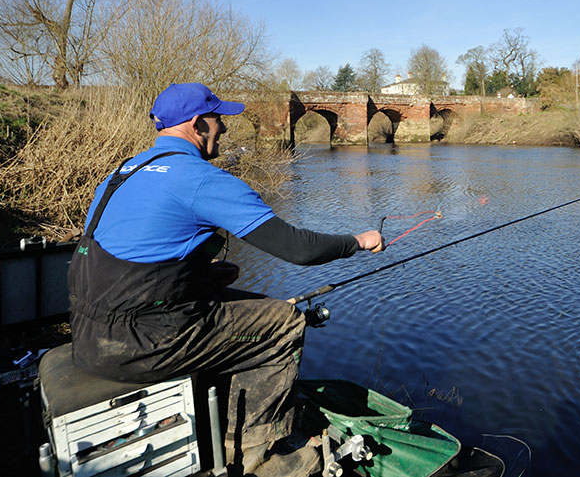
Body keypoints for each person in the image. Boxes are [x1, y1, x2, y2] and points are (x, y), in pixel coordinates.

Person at [67, 82, 383, 476]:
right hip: (144, 345)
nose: (226, 128)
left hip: (88, 335)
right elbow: (299, 250)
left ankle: (219, 412)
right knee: (282, 322)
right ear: (199, 124)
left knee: (256, 306)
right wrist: (359, 240)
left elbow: (131, 261)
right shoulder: (199, 179)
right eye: (220, 119)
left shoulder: (121, 173)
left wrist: (203, 275)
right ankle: (257, 454)